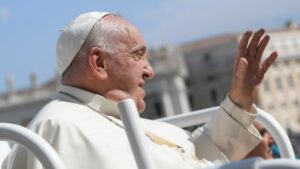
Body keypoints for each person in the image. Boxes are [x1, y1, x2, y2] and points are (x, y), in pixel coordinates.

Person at [3, 11, 278, 169]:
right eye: (138, 55)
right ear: (99, 63)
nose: (150, 70)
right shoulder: (61, 126)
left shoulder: (117, 119)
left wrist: (240, 101)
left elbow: (195, 152)